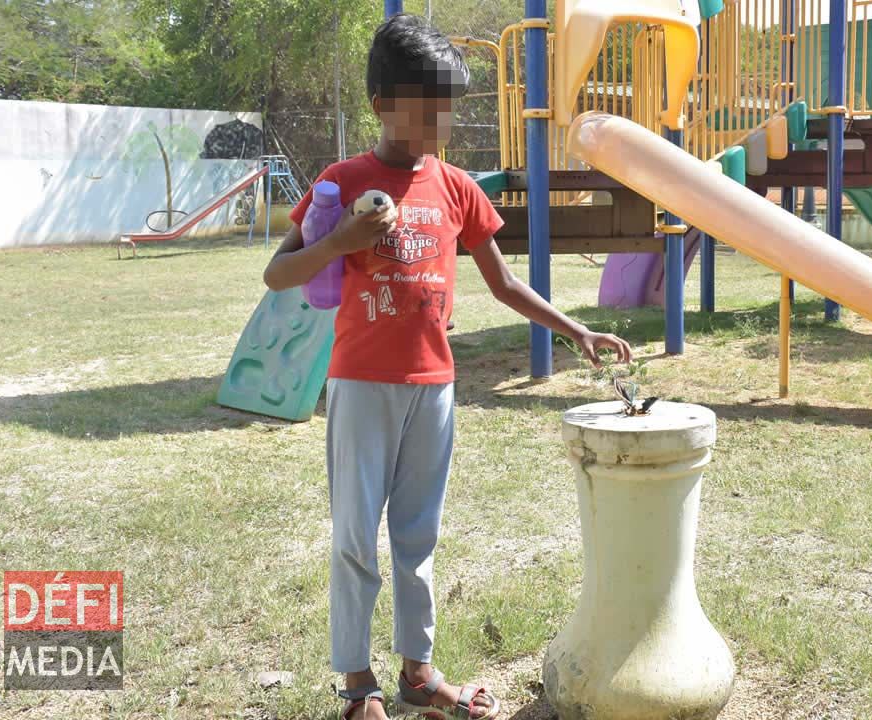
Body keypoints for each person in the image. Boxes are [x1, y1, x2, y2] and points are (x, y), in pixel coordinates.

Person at [263, 14, 632, 720]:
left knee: (416, 535)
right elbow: (279, 275)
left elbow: (504, 285)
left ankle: (417, 672)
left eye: (447, 111)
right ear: (382, 106)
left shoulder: (457, 186)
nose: (441, 125)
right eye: (427, 111)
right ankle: (355, 683)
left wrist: (577, 329)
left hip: (434, 387)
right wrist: (342, 238)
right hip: (362, 385)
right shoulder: (344, 181)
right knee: (354, 537)